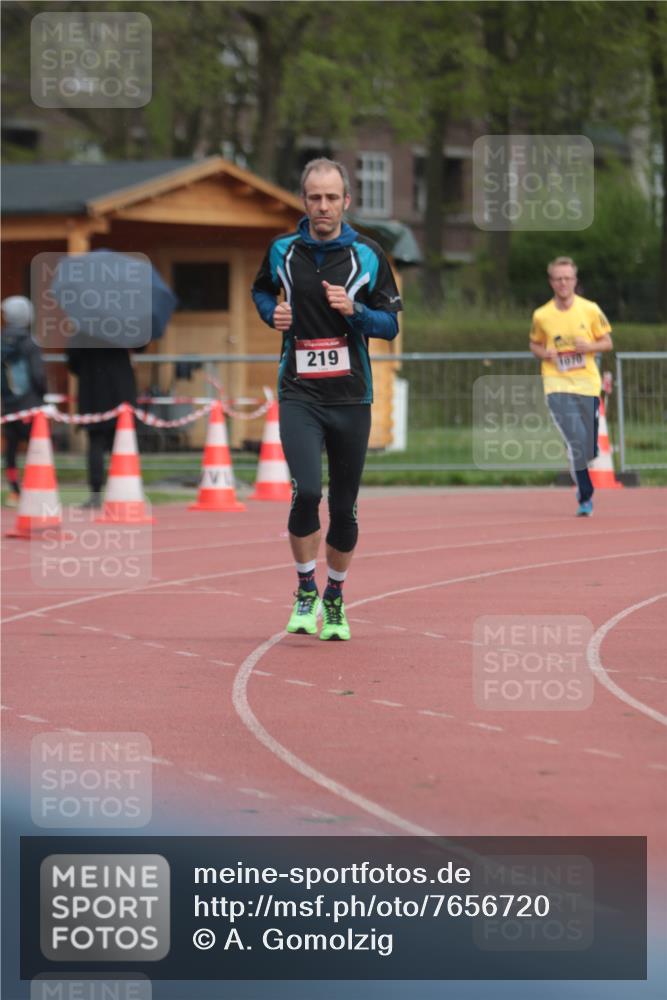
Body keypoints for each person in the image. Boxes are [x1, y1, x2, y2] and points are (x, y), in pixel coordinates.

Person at [251, 157, 402, 640]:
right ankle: (303, 589)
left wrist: (355, 310)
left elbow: (390, 322)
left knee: (344, 507)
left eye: (331, 197)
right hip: (299, 393)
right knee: (307, 491)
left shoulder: (369, 254)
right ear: (303, 200)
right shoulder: (282, 250)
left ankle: (334, 598)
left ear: (346, 201)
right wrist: (269, 313)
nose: (323, 206)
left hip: (351, 396)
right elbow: (260, 291)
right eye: (314, 197)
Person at [529, 256, 613, 516]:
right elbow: (534, 343)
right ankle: (585, 496)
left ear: (575, 281)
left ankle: (582, 455)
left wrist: (590, 347)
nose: (563, 283)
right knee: (576, 440)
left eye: (568, 278)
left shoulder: (590, 309)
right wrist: (544, 354)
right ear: (551, 282)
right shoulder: (542, 315)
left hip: (587, 383)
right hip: (556, 383)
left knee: (587, 448)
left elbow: (607, 342)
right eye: (558, 278)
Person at [66, 346, 138, 508]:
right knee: (121, 444)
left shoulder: (83, 325)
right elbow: (141, 345)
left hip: (93, 388)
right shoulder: (124, 322)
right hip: (120, 389)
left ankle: (96, 494)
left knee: (95, 442)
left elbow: (72, 360)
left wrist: (87, 368)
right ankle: (123, 493)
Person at [1, 296, 46, 507]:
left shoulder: (2, 341)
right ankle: (33, 487)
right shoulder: (30, 342)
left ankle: (14, 491)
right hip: (29, 404)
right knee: (34, 448)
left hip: (8, 405)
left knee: (10, 448)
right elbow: (38, 375)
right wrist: (42, 395)